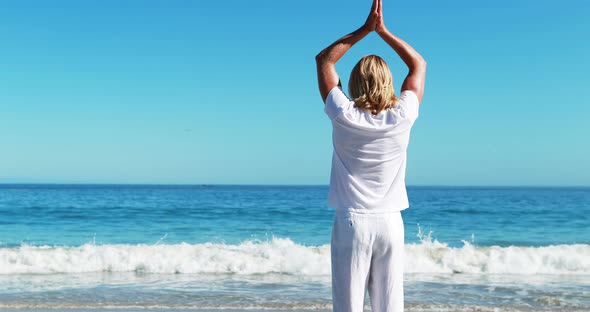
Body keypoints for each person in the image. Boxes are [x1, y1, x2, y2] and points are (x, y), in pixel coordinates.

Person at [315, 0, 426, 311]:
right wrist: (384, 32)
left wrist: (365, 30)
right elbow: (418, 65)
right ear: (389, 82)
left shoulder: (343, 113)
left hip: (352, 221)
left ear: (354, 82)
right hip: (391, 223)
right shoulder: (403, 114)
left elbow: (324, 61)